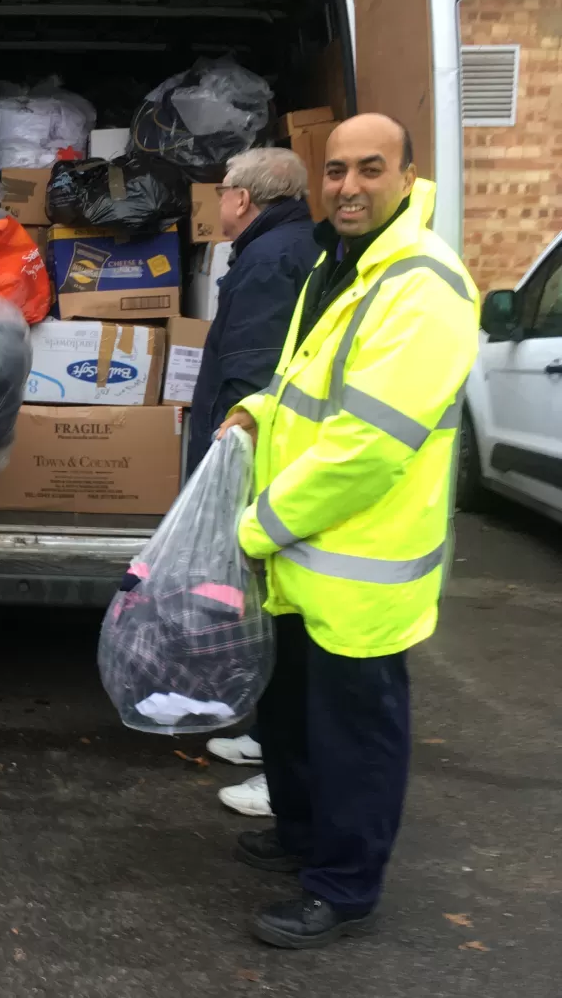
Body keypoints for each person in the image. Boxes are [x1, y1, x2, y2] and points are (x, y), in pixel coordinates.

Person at [220, 114, 479, 949]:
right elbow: (302, 385)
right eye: (335, 171)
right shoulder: (340, 265)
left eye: (371, 168)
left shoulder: (423, 286)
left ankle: (344, 887)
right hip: (308, 555)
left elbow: (368, 445)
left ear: (407, 176)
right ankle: (301, 833)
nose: (349, 186)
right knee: (293, 714)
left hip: (360, 565)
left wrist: (259, 526)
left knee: (354, 736)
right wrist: (254, 410)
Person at [189, 148, 322, 818]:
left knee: (273, 613)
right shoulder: (284, 246)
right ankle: (268, 738)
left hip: (260, 458)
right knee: (266, 609)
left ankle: (284, 773)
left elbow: (251, 371)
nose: (218, 202)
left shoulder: (269, 260)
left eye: (222, 190)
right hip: (274, 453)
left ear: (242, 198)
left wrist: (227, 459)